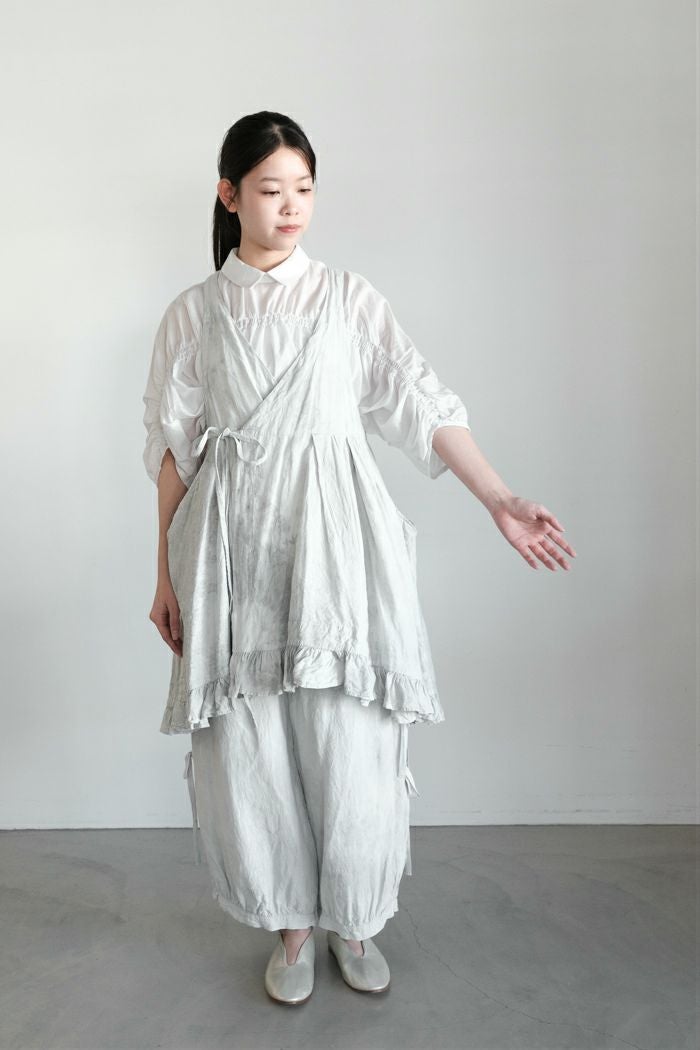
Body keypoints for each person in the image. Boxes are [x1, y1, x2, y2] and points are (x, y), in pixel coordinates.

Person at [142, 111, 576, 1005]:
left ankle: (355, 918)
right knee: (252, 742)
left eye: (304, 188)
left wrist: (498, 497)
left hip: (338, 543)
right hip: (234, 550)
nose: (291, 206)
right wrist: (163, 576)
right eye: (271, 189)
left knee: (352, 733)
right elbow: (174, 455)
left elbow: (420, 403)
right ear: (229, 195)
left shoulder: (347, 299)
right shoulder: (195, 314)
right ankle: (292, 927)